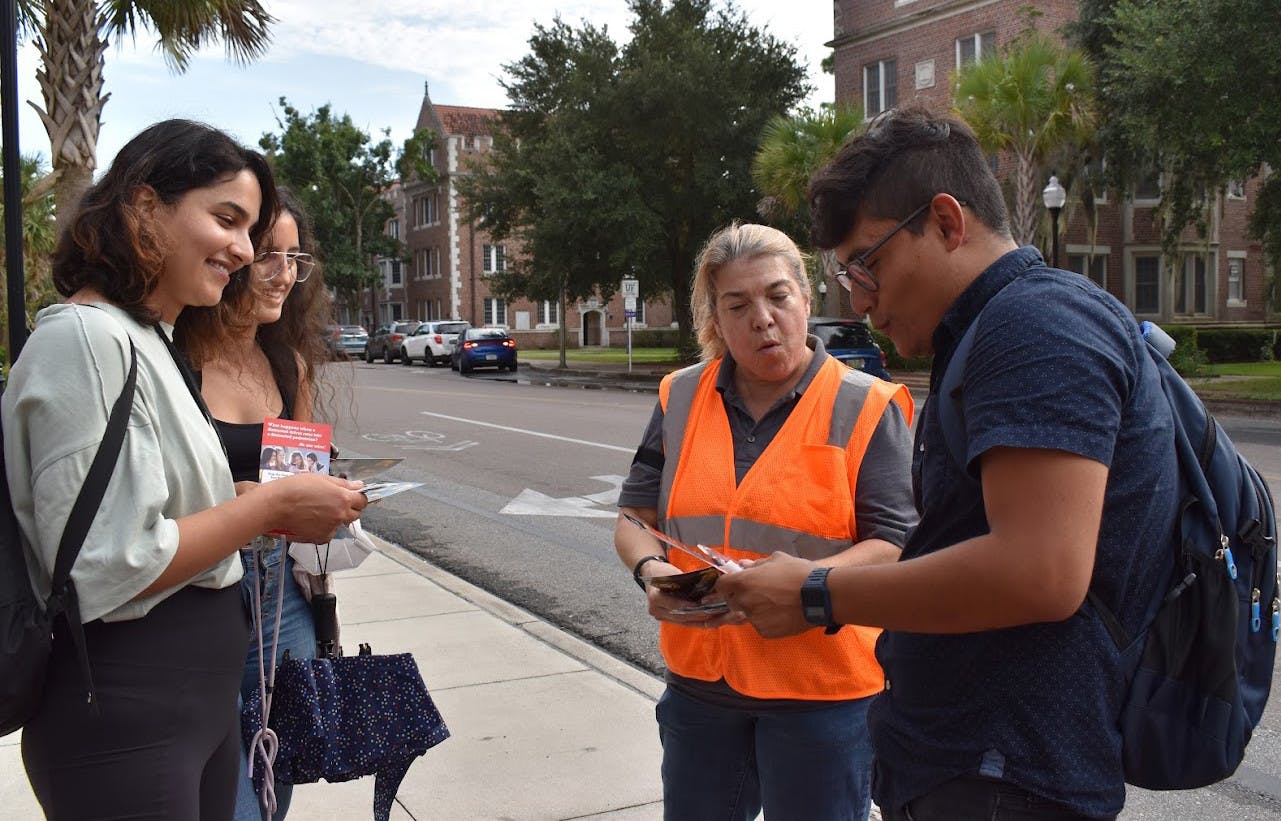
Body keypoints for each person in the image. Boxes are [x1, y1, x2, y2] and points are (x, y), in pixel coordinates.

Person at [718, 106, 1179, 821]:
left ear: (945, 222)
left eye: (866, 265)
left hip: (1006, 774)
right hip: (976, 767)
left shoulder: (1034, 326)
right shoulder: (996, 329)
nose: (860, 303)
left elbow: (1041, 572)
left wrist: (817, 594)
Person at [1, 119, 368, 820]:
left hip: (186, 709)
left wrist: (245, 496)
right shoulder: (85, 337)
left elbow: (150, 509)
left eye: (250, 229)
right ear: (144, 206)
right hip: (129, 715)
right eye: (226, 219)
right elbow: (107, 565)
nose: (241, 249)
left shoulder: (147, 338)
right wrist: (265, 507)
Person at [614, 222, 917, 821]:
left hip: (822, 694)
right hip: (701, 686)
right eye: (738, 304)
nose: (762, 318)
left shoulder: (867, 404)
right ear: (716, 321)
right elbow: (634, 515)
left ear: (806, 300)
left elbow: (897, 546)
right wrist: (651, 570)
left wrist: (807, 586)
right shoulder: (680, 395)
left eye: (778, 296)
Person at [176, 187, 333, 820]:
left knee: (275, 770)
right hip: (197, 588)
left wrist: (335, 499)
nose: (283, 274)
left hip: (282, 598)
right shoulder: (171, 358)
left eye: (295, 258)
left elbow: (308, 479)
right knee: (218, 787)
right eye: (268, 253)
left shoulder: (289, 364)